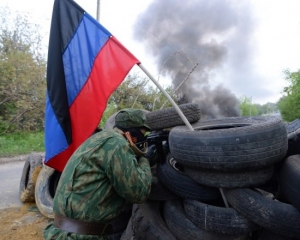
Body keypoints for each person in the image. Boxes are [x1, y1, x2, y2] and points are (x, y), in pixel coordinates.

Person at [43, 108, 153, 240]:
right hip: (80, 236)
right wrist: (145, 159)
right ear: (132, 132)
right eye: (142, 133)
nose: (142, 138)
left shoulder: (99, 138)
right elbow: (138, 193)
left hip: (60, 230)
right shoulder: (117, 144)